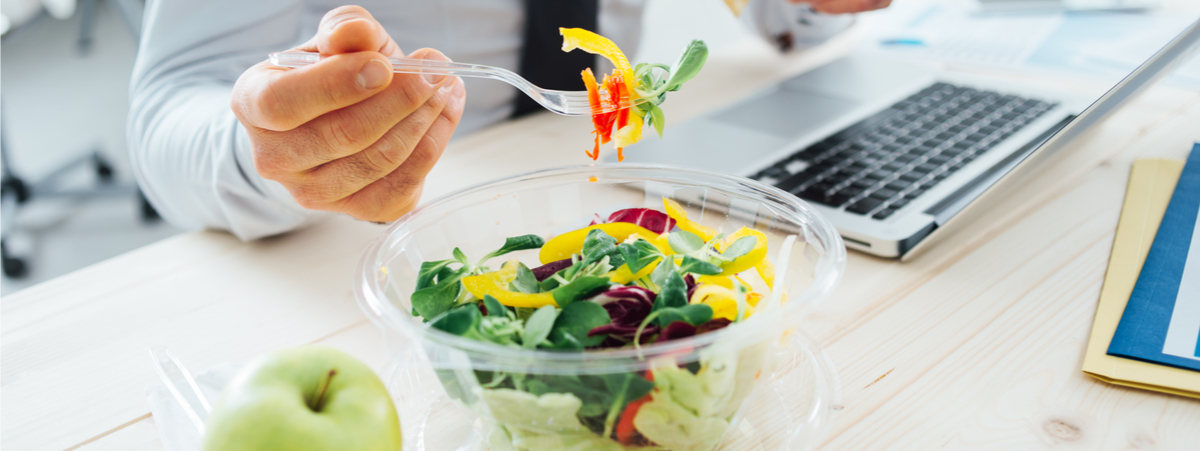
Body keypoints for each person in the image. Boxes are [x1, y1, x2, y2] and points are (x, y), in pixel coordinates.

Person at [127, 0, 891, 241]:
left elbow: (776, 17)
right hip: (403, 231)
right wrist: (285, 147)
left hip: (621, 175)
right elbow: (168, 107)